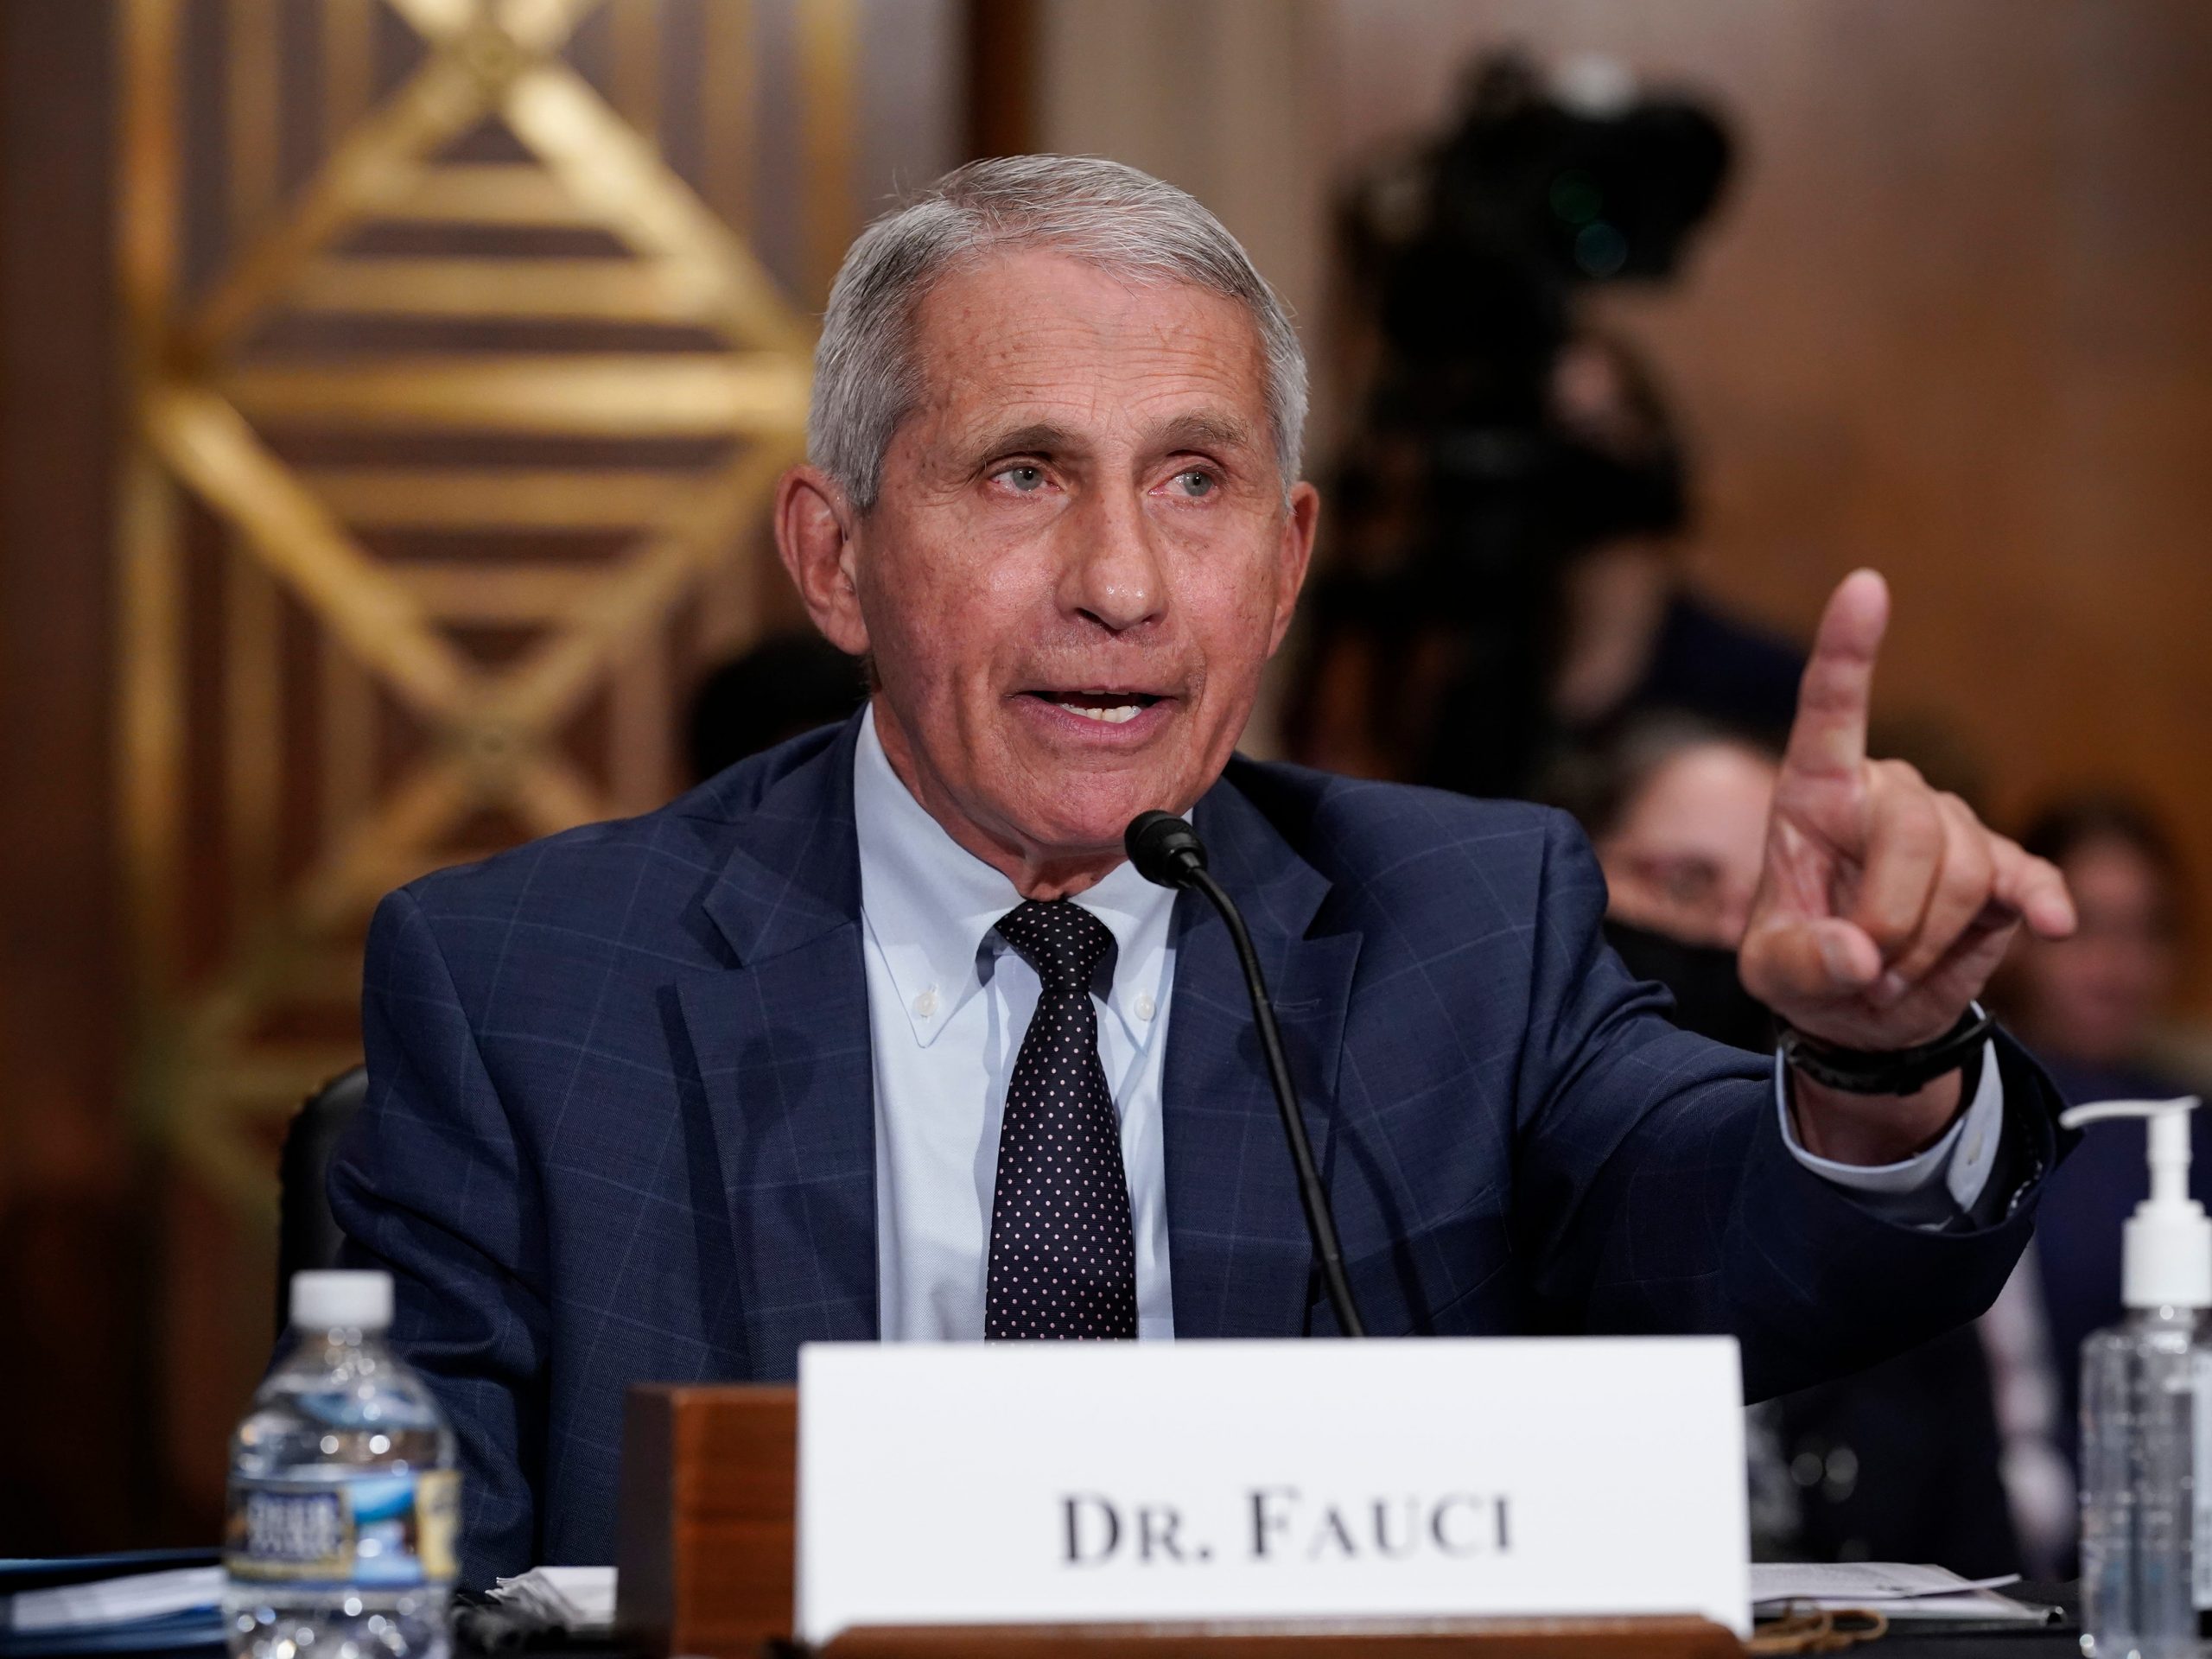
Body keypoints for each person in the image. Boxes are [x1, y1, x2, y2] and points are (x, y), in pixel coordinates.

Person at [329, 157, 2076, 1585]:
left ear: (1286, 555)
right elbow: (393, 1596)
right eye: (1022, 473)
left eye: (1193, 483)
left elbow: (1752, 1251)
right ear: (834, 558)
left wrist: (1876, 1064)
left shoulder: (1460, 926)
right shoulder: (523, 990)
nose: (1120, 583)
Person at [1557, 714, 2021, 1573]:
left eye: (1771, 900)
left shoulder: (1875, 1208)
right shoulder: (1469, 1190)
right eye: (1687, 883)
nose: (1735, 938)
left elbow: (1981, 1560)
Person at [1979, 794, 2203, 1571]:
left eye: (2146, 931)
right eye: (2087, 927)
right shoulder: (1968, 1114)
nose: (2116, 964)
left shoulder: (2189, 1121)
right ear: (2017, 935)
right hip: (2014, 1534)